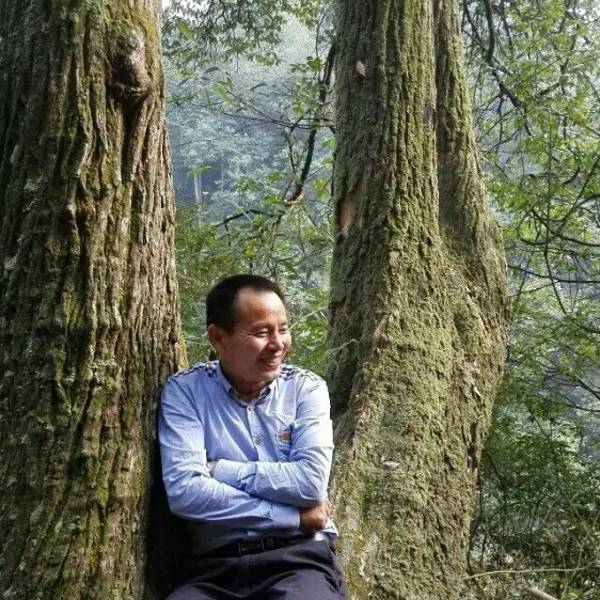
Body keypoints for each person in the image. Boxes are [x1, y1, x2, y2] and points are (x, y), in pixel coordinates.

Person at [159, 274, 348, 599]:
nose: (277, 344)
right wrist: (294, 516)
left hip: (299, 560)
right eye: (261, 333)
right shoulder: (186, 392)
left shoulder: (305, 389)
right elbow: (187, 493)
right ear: (218, 337)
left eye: (283, 329)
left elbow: (310, 482)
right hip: (213, 569)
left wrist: (220, 470)